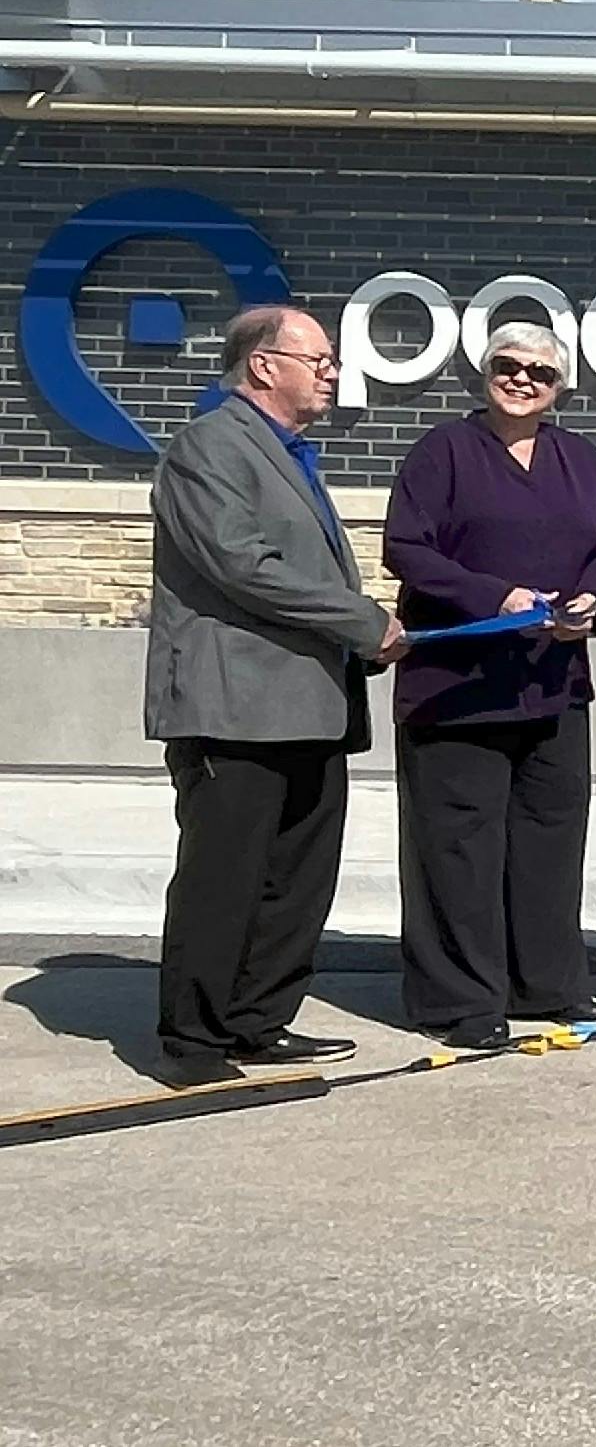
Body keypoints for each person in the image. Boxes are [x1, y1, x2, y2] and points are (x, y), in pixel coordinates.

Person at [144, 306, 406, 1083]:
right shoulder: (208, 447)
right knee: (224, 875)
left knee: (296, 875)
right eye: (318, 358)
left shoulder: (288, 454)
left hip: (310, 703)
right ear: (263, 364)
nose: (331, 371)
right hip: (237, 706)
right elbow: (244, 566)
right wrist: (364, 622)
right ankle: (193, 1040)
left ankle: (257, 1020)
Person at [381, 321, 596, 1051]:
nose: (521, 379)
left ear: (560, 389)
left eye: (539, 373)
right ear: (483, 372)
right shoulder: (442, 452)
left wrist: (592, 603)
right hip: (457, 690)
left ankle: (546, 982)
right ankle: (459, 1000)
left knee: (550, 840)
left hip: (551, 682)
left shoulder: (580, 458)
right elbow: (405, 547)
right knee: (460, 847)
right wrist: (496, 597)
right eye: (507, 366)